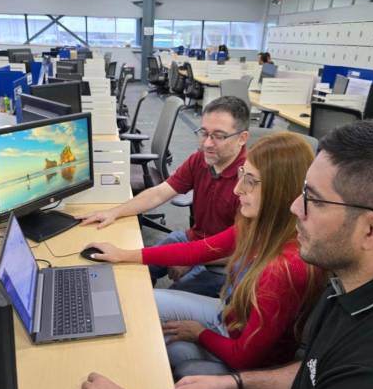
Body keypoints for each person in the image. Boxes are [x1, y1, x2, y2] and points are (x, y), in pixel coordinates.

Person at [74, 118, 373, 389]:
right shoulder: (363, 279)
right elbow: (314, 373)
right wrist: (235, 387)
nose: (293, 207)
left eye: (313, 199)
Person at [86, 133, 324, 379]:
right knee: (137, 301)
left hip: (247, 358)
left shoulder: (283, 268)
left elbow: (245, 356)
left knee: (165, 345)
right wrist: (123, 254)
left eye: (250, 181)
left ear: (280, 191)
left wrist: (200, 333)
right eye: (242, 174)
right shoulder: (261, 224)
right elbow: (199, 249)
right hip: (229, 314)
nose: (237, 188)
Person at [78, 96, 250, 297]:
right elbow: (160, 192)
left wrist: (191, 259)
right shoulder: (200, 160)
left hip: (227, 262)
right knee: (129, 269)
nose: (207, 143)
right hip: (193, 241)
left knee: (166, 305)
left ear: (242, 138)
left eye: (219, 136)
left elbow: (243, 249)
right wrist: (114, 212)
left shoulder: (251, 180)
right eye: (204, 133)